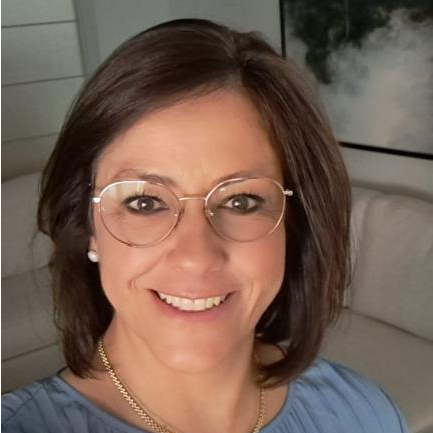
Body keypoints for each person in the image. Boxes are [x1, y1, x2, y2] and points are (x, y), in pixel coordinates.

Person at [2, 18, 410, 433]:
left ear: (295, 223)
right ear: (88, 226)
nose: (196, 257)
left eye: (241, 201)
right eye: (145, 202)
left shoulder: (365, 416)